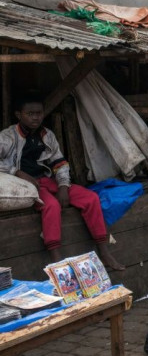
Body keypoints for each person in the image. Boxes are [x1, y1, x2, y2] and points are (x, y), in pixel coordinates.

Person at [0, 94, 124, 271]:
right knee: (51, 206)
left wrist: (64, 186)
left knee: (90, 198)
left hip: (49, 180)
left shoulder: (47, 135)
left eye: (39, 113)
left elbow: (60, 163)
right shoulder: (7, 136)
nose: (36, 117)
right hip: (29, 185)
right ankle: (57, 261)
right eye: (30, 113)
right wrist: (18, 172)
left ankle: (104, 251)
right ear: (19, 115)